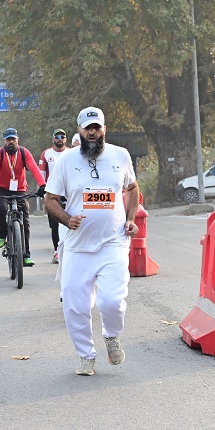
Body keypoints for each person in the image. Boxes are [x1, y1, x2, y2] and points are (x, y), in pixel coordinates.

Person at [43, 106, 139, 376]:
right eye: (88, 128)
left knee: (112, 301)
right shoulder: (66, 160)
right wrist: (66, 218)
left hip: (113, 242)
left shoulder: (121, 155)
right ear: (80, 131)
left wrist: (131, 219)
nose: (93, 132)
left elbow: (131, 188)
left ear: (104, 129)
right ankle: (86, 356)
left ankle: (111, 336)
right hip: (77, 246)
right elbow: (50, 200)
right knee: (76, 306)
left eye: (97, 127)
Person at [0, 127, 46, 266]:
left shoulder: (23, 152)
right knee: (1, 207)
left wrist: (43, 185)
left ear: (17, 140)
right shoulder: (0, 153)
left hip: (19, 189)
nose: (11, 142)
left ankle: (26, 254)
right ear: (5, 140)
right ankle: (2, 234)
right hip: (2, 189)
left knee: (25, 215)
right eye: (8, 139)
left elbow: (34, 168)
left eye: (13, 139)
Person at [38, 129, 71, 263]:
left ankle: (69, 249)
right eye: (57, 136)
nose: (59, 139)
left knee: (71, 219)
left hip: (68, 192)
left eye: (62, 136)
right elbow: (42, 174)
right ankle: (57, 251)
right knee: (55, 224)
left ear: (65, 139)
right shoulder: (46, 154)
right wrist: (43, 190)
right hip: (53, 192)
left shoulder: (71, 153)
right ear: (53, 139)